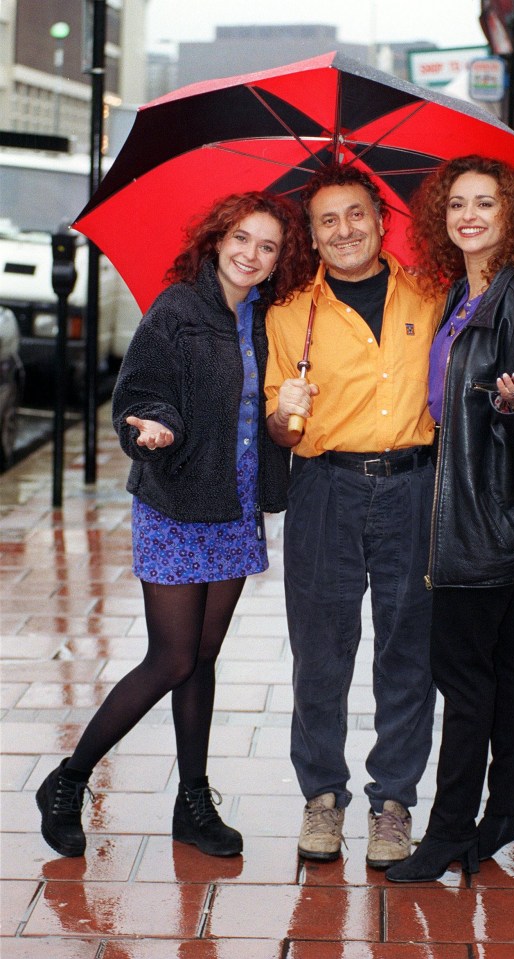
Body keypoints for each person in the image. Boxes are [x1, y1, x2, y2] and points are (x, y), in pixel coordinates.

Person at [36, 191, 314, 859]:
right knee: (171, 657)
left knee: (203, 659)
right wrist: (152, 426)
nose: (251, 253)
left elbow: (267, 413)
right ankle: (68, 779)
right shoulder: (178, 310)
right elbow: (137, 391)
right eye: (241, 238)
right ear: (217, 239)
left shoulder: (266, 319)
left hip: (235, 505)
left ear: (280, 258)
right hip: (175, 501)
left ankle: (192, 801)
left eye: (268, 245)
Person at [385, 155, 514, 884]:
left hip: (485, 518)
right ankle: (507, 812)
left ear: (511, 219)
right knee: (505, 669)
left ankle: (446, 835)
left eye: (485, 204)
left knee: (460, 675)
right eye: (456, 205)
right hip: (475, 508)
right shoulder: (461, 296)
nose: (468, 215)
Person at [264, 164, 444, 869]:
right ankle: (321, 798)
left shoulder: (429, 294)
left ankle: (393, 802)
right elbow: (279, 430)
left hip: (413, 485)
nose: (344, 230)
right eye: (327, 220)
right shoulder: (288, 315)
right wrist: (284, 415)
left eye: (356, 214)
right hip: (324, 488)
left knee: (407, 650)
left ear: (379, 219)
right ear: (311, 235)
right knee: (320, 650)